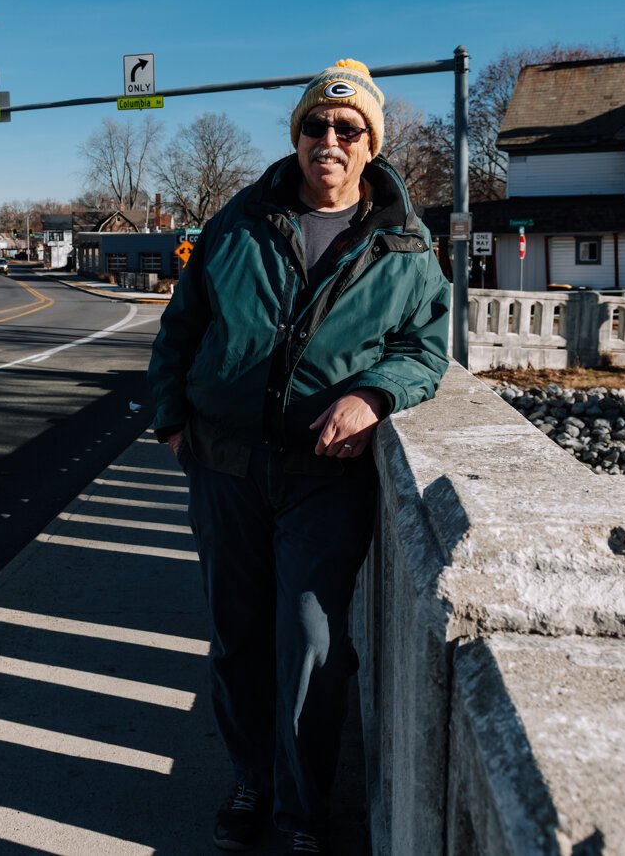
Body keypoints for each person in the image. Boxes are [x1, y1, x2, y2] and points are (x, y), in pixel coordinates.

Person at [146, 59, 450, 854]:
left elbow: (428, 349)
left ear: (370, 146)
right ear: (298, 134)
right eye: (316, 125)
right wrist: (173, 422)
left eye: (347, 130)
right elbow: (179, 331)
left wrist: (375, 394)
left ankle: (302, 810)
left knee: (312, 642)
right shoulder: (236, 223)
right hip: (226, 470)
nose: (329, 141)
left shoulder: (404, 247)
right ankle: (253, 781)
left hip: (325, 479)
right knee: (238, 636)